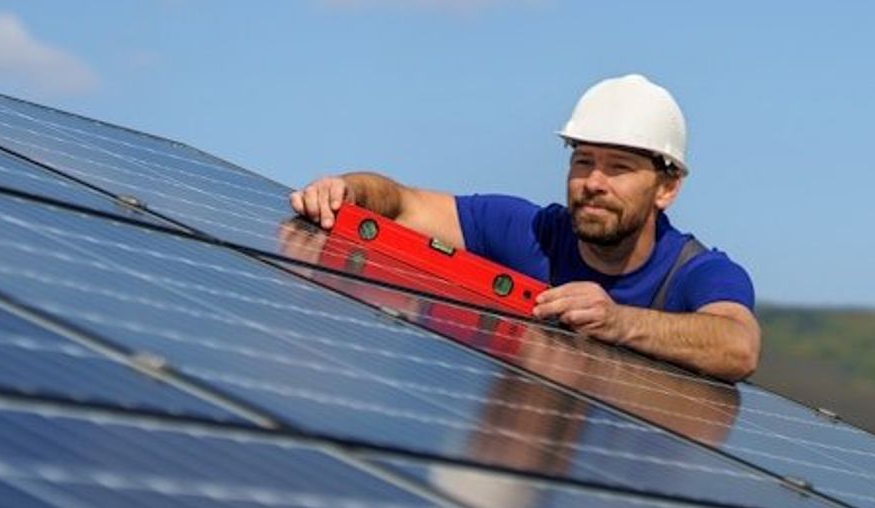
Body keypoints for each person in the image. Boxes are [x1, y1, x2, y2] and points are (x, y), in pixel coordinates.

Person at [289, 74, 760, 381]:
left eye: (618, 167)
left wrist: (618, 321)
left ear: (666, 188)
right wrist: (348, 190)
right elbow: (402, 203)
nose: (593, 183)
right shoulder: (530, 231)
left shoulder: (698, 273)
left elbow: (738, 346)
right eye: (582, 162)